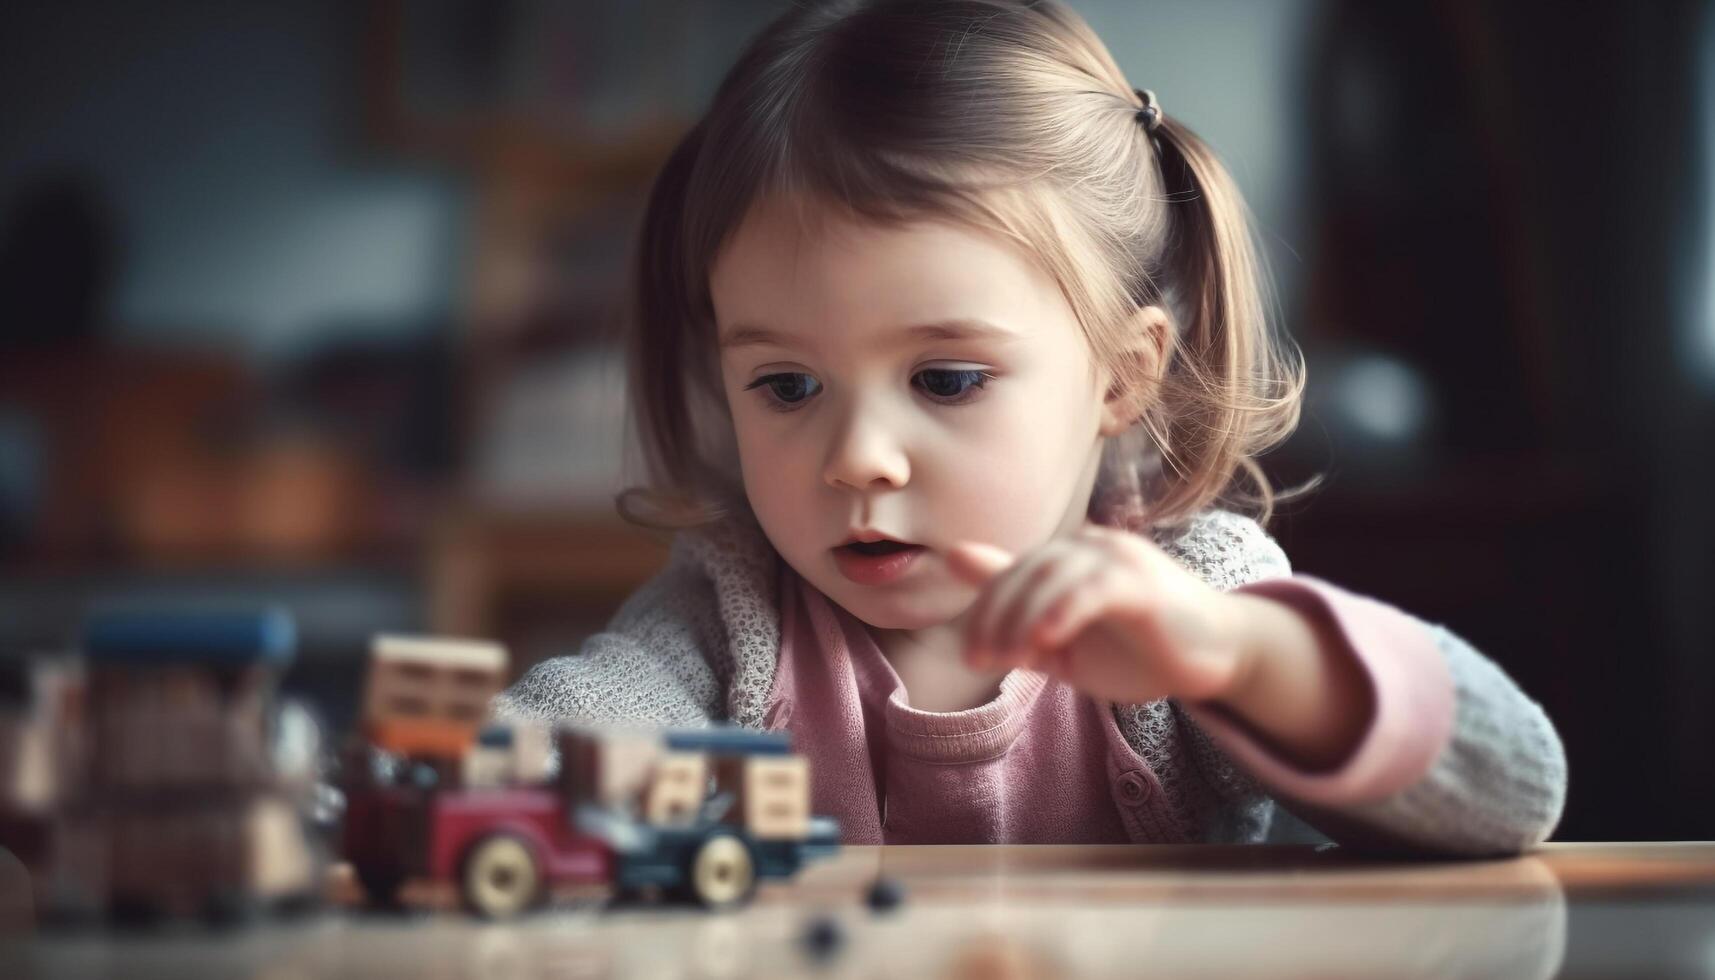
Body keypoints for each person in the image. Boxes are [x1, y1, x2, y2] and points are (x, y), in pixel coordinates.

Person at [495, 0, 1566, 855]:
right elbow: (553, 746)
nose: (857, 456)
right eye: (785, 385)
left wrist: (1238, 655)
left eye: (947, 377)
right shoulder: (725, 621)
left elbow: (1510, 789)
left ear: (1119, 376)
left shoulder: (1182, 594)